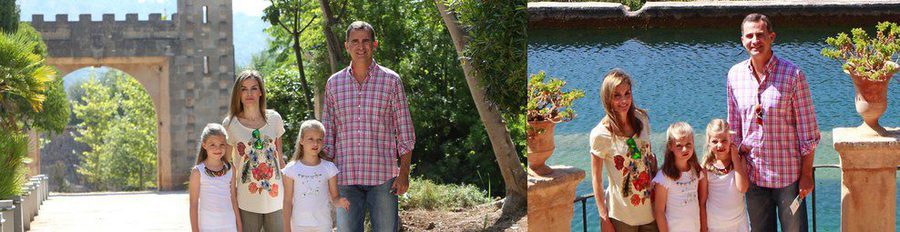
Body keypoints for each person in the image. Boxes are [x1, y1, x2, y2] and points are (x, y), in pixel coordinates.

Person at [727, 13, 820, 232]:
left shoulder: (793, 75)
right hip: (754, 177)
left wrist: (806, 175)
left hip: (788, 178)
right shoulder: (734, 75)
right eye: (749, 35)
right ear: (742, 40)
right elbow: (734, 129)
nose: (754, 40)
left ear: (772, 37)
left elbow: (808, 132)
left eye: (760, 34)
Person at [322, 21, 416, 232]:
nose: (360, 46)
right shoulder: (333, 84)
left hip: (382, 178)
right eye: (355, 41)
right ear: (347, 45)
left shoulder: (391, 81)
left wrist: (404, 173)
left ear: (374, 44)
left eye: (365, 41)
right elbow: (328, 134)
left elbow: (405, 131)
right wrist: (326, 177)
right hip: (345, 177)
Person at [589, 68, 659, 232]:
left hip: (651, 211)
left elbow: (649, 159)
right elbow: (596, 180)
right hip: (622, 217)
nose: (624, 100)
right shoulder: (600, 134)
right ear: (607, 98)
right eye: (617, 95)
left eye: (627, 93)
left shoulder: (642, 119)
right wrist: (604, 218)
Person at [223, 70, 287, 231]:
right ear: (238, 93)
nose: (249, 93)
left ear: (260, 92)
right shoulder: (230, 124)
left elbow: (280, 160)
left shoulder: (275, 119)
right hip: (246, 198)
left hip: (276, 197)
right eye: (243, 89)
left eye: (253, 88)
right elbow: (226, 164)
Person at [282, 120, 350, 232]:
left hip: (323, 225)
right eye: (311, 139)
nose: (315, 143)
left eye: (319, 139)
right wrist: (287, 229)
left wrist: (340, 202)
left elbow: (335, 197)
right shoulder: (291, 169)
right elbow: (287, 201)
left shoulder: (329, 167)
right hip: (299, 226)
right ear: (302, 140)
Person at [698, 119, 749, 232]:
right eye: (715, 141)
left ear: (730, 139)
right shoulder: (706, 168)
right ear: (709, 142)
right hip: (715, 225)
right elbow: (702, 202)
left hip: (739, 223)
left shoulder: (739, 161)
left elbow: (743, 188)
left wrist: (735, 159)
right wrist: (703, 228)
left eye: (724, 140)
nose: (720, 145)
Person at [652, 122, 704, 232]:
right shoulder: (664, 177)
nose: (685, 149)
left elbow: (701, 201)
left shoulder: (696, 171)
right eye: (679, 146)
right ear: (670, 146)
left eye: (688, 144)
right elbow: (659, 211)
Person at [189, 123, 241, 232]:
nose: (218, 149)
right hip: (207, 226)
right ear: (204, 145)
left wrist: (239, 227)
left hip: (229, 225)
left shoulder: (231, 169)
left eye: (222, 144)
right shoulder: (198, 172)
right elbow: (193, 204)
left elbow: (233, 200)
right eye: (212, 144)